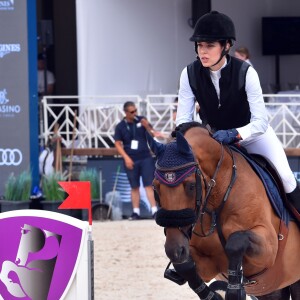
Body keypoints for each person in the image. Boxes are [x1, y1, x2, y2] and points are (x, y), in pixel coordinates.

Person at [175, 11, 300, 221]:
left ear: (226, 46)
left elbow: (261, 121)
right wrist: (198, 139)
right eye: (199, 45)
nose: (203, 51)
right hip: (214, 139)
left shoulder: (246, 72)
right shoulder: (188, 74)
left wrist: (235, 133)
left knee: (287, 178)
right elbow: (183, 121)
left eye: (209, 45)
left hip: (253, 136)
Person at [114, 101, 161, 220]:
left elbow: (153, 134)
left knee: (148, 185)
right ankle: (136, 212)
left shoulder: (141, 120)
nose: (135, 113)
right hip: (131, 158)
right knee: (134, 186)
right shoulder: (120, 126)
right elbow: (118, 144)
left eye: (135, 110)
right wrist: (126, 158)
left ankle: (154, 210)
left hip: (145, 157)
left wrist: (147, 126)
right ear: (126, 113)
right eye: (132, 112)